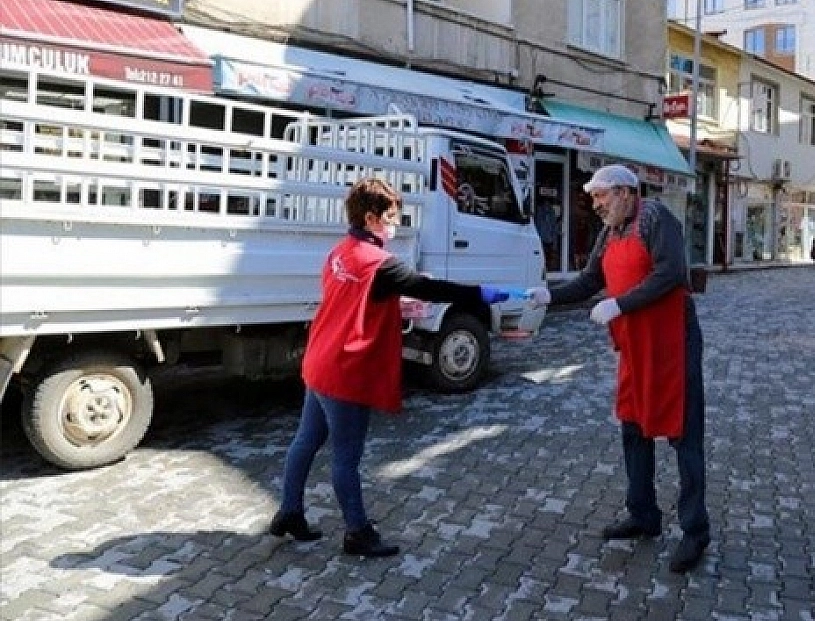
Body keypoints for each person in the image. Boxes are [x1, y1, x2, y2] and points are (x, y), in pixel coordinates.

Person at [269, 177, 510, 558]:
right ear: (371, 218)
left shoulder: (340, 252)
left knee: (306, 440)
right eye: (392, 216)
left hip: (320, 360)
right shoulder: (379, 265)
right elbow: (427, 289)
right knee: (346, 457)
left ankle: (289, 512)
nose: (396, 224)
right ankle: (357, 533)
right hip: (346, 369)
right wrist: (480, 293)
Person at [526, 164, 710, 573]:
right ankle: (643, 513)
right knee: (632, 427)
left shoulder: (655, 218)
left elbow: (670, 273)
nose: (595, 206)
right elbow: (590, 280)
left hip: (672, 345)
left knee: (685, 438)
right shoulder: (609, 232)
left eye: (601, 196)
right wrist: (548, 296)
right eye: (592, 199)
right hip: (634, 347)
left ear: (626, 192)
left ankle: (695, 531)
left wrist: (620, 304)